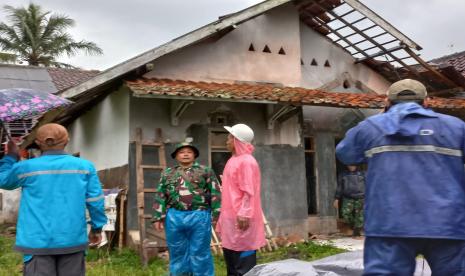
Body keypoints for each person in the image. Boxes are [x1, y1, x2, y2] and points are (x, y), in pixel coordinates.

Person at [336, 79, 465, 275]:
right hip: (447, 223)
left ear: (387, 102)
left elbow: (345, 154)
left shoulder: (370, 127)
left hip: (388, 224)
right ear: (427, 102)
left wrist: (379, 119)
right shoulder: (456, 127)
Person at [0, 123, 107, 276]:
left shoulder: (25, 168)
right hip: (72, 240)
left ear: (37, 143)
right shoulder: (84, 167)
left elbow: (3, 180)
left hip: (37, 242)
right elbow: (95, 201)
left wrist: (10, 156)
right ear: (67, 140)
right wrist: (97, 229)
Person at [152, 140, 221, 276]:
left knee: (200, 250)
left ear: (194, 155)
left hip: (199, 216)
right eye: (181, 152)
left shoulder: (205, 171)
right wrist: (157, 217)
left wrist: (217, 215)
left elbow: (215, 192)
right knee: (177, 250)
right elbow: (161, 194)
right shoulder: (167, 173)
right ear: (176, 156)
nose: (185, 155)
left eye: (189, 152)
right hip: (174, 217)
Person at [217, 123, 266, 276]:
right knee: (231, 261)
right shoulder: (233, 160)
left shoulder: (247, 161)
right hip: (231, 218)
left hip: (242, 218)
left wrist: (245, 212)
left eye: (230, 138)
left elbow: (249, 190)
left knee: (244, 264)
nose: (227, 141)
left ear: (237, 140)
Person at [333, 165, 364, 237]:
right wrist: (336, 198)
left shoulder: (362, 173)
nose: (351, 167)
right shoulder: (343, 174)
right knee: (345, 213)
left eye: (353, 165)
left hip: (360, 197)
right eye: (349, 165)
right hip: (348, 197)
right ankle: (353, 226)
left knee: (359, 216)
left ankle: (357, 233)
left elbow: (368, 185)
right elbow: (340, 187)